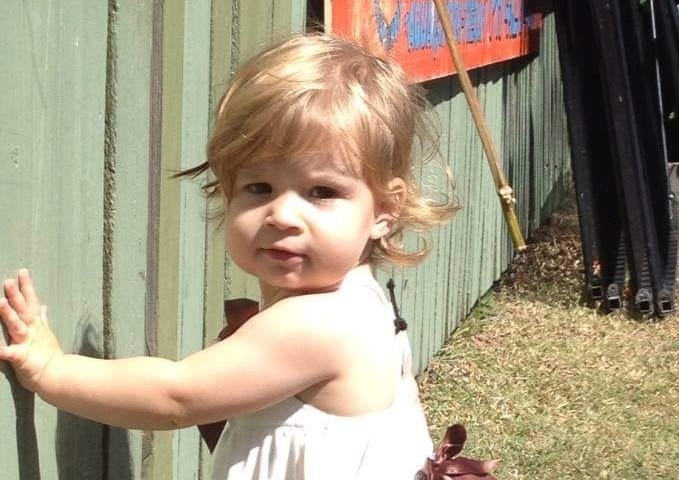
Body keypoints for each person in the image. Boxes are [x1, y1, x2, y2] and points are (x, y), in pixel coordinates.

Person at [0, 33, 458, 480]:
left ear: (385, 210)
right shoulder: (369, 301)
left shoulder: (318, 323)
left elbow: (176, 396)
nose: (282, 214)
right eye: (259, 187)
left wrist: (50, 370)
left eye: (322, 192)